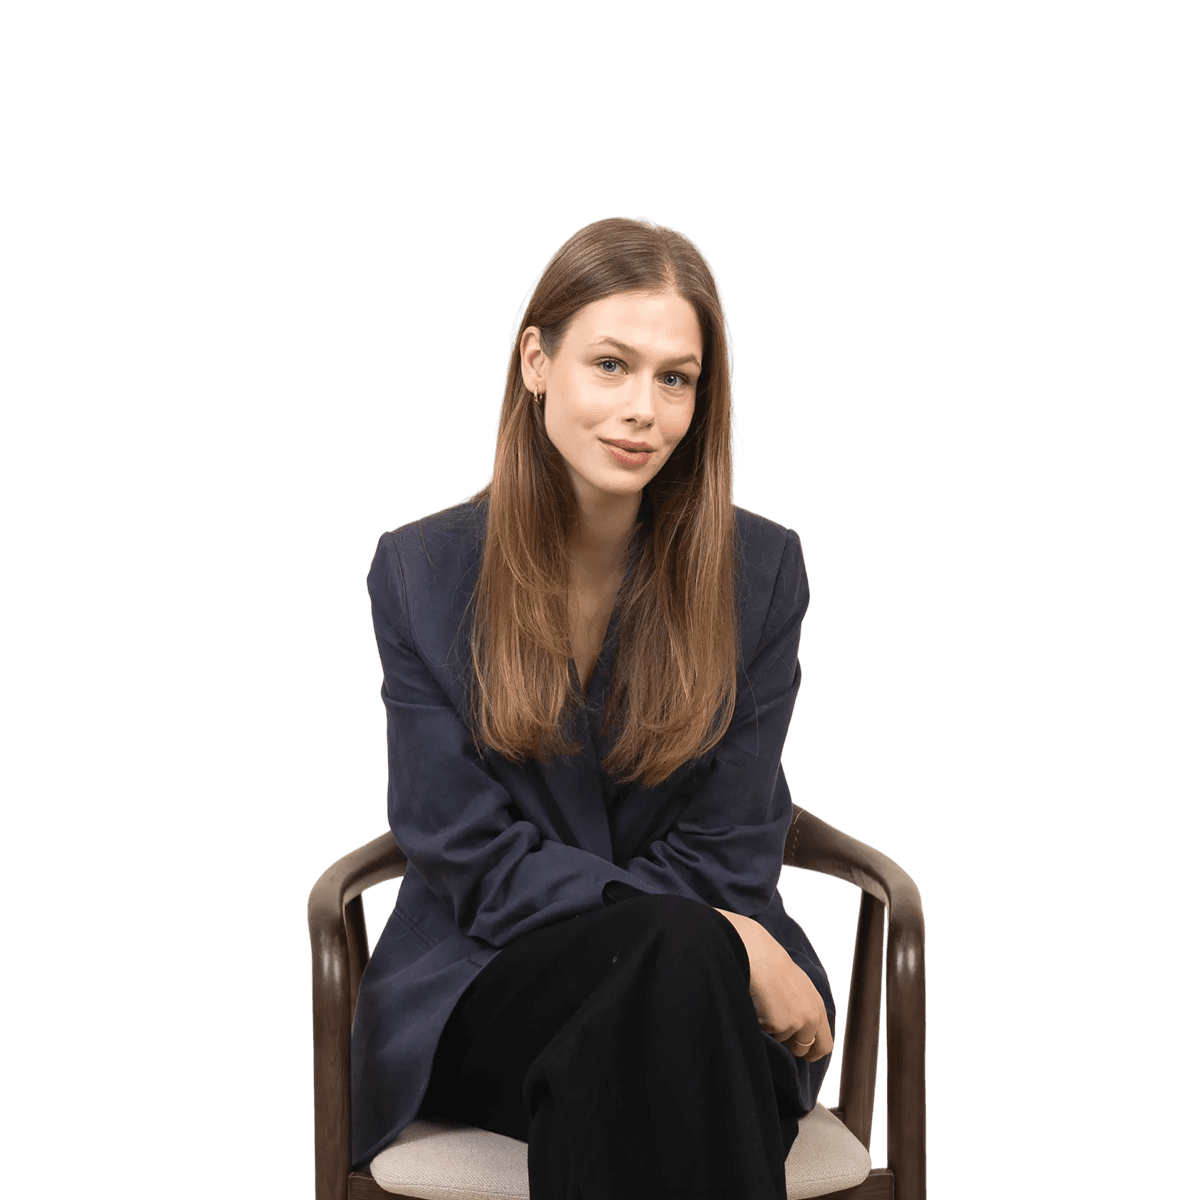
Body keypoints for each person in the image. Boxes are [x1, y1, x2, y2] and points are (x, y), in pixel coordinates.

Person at [350, 215, 836, 1199]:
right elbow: (468, 855)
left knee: (664, 993)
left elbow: (731, 847)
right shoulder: (421, 572)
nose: (643, 410)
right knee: (681, 960)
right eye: (611, 365)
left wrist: (709, 934)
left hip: (702, 990)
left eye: (676, 378)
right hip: (495, 981)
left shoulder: (761, 572)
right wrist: (731, 939)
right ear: (536, 361)